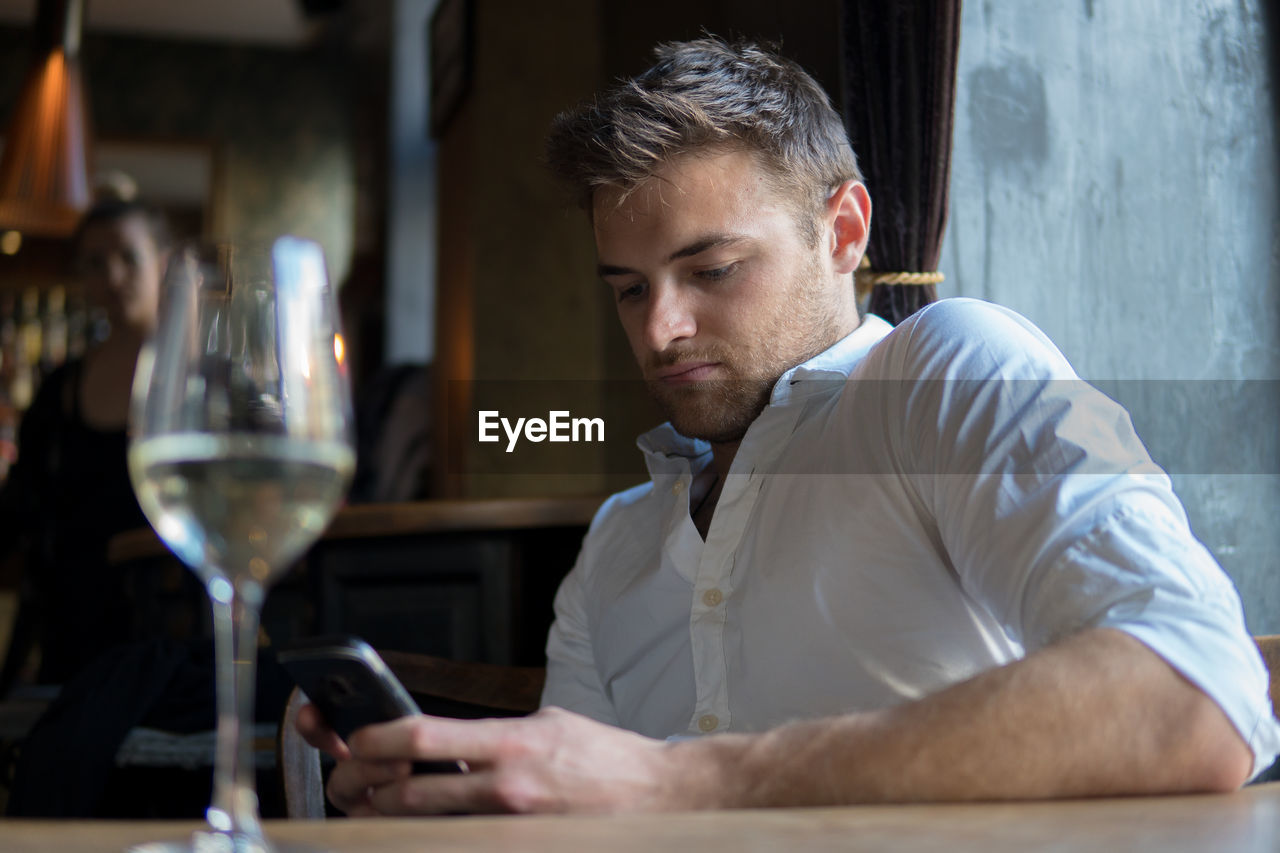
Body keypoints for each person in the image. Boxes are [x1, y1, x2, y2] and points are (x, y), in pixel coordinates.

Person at [297, 38, 1280, 814]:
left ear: (842, 231)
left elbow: (1197, 695)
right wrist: (462, 792)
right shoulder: (617, 544)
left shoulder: (947, 370)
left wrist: (682, 780)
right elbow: (580, 810)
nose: (660, 328)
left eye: (712, 270)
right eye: (629, 288)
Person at [0, 195, 169, 687]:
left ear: (161, 261)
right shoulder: (61, 388)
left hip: (164, 635)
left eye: (127, 257)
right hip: (69, 635)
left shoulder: (196, 383)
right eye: (95, 263)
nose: (112, 276)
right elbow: (20, 506)